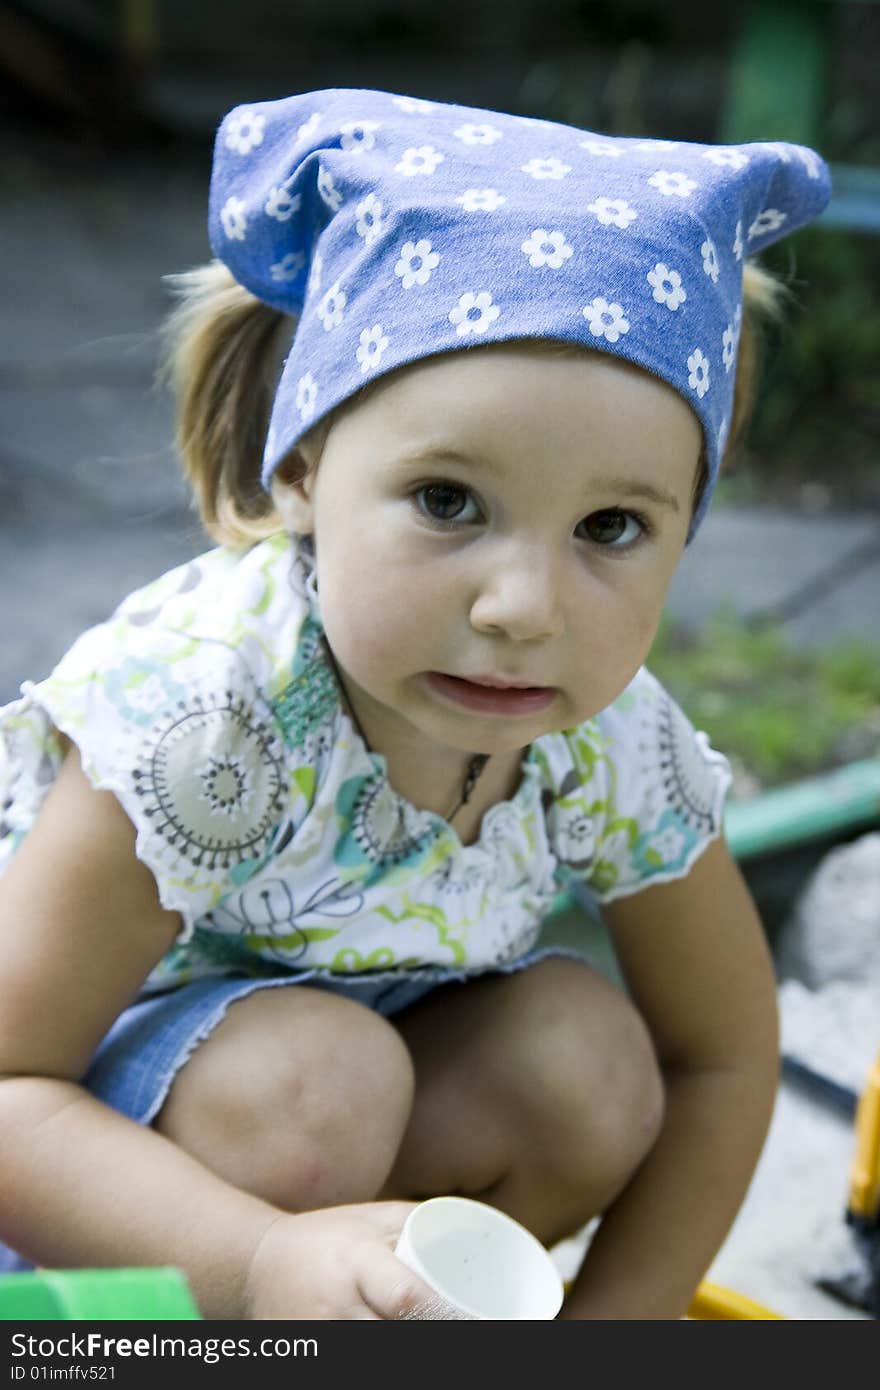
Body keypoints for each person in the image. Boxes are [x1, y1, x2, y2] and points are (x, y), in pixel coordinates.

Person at [0, 87, 831, 1320]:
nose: (521, 606)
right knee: (312, 1086)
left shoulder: (606, 739)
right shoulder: (207, 721)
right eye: (447, 500)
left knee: (585, 1062)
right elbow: (13, 1084)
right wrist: (259, 1265)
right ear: (301, 467)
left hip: (363, 1135)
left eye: (610, 526)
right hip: (97, 1199)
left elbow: (718, 1056)